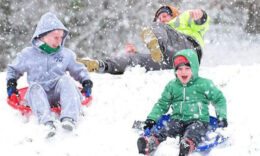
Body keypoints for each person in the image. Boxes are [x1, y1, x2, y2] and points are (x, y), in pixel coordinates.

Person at [6, 12, 93, 137]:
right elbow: (13, 70)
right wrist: (11, 84)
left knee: (66, 80)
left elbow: (79, 70)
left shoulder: (65, 54)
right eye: (55, 37)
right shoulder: (28, 54)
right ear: (42, 37)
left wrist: (86, 81)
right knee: (34, 88)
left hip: (58, 92)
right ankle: (47, 123)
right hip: (39, 95)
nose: (59, 41)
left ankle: (69, 118)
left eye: (61, 38)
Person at [137, 49, 228, 156]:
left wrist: (221, 116)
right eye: (179, 69)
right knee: (166, 130)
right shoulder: (172, 86)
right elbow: (162, 104)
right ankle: (151, 143)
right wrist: (152, 119)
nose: (183, 72)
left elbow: (219, 99)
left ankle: (187, 145)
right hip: (177, 119)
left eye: (187, 68)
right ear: (175, 71)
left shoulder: (204, 84)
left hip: (198, 120)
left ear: (194, 69)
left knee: (193, 132)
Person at [77, 6, 209, 74]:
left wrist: (200, 15)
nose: (162, 19)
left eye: (164, 16)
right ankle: (102, 65)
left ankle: (159, 48)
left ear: (174, 15)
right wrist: (134, 54)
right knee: (134, 59)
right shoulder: (161, 29)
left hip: (188, 51)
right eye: (159, 17)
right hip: (170, 61)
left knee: (158, 29)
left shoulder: (183, 19)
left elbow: (202, 23)